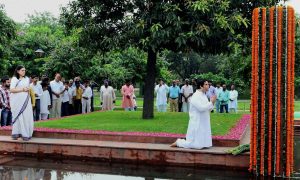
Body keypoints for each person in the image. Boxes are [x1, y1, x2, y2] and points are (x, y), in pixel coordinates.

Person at [170, 79, 216, 149]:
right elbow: (201, 108)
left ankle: (202, 144)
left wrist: (212, 102)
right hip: (197, 121)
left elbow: (209, 108)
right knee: (196, 145)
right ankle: (179, 142)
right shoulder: (195, 96)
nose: (208, 86)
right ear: (201, 86)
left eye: (208, 84)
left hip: (204, 121)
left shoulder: (204, 95)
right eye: (206, 84)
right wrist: (210, 102)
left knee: (202, 144)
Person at [10, 65, 34, 141]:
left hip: (26, 101)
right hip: (17, 102)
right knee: (18, 116)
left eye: (24, 70)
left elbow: (28, 88)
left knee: (26, 116)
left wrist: (27, 89)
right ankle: (16, 133)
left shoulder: (26, 79)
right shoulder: (14, 79)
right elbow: (12, 90)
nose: (24, 72)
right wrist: (22, 89)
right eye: (22, 70)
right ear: (18, 71)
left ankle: (26, 134)